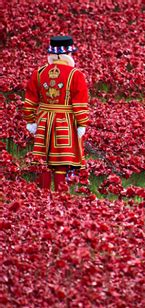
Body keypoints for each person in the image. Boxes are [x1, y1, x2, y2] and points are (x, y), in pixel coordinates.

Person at [23, 35, 89, 191]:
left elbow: (30, 99)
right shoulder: (75, 74)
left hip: (44, 119)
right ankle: (61, 195)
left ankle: (41, 194)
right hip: (65, 121)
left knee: (43, 160)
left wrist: (30, 120)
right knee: (61, 160)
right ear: (65, 55)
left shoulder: (39, 73)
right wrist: (82, 123)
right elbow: (80, 102)